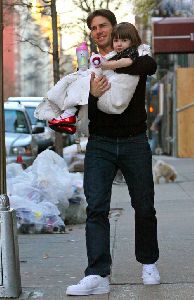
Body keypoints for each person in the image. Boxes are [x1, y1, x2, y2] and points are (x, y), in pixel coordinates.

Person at [66, 9, 160, 296]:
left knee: (144, 205)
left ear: (113, 28)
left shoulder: (136, 56)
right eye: (93, 28)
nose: (99, 31)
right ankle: (97, 274)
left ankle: (148, 263)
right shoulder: (89, 67)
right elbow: (85, 109)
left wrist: (112, 65)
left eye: (103, 25)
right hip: (101, 143)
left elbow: (150, 65)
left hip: (134, 141)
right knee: (95, 208)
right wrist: (93, 94)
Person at [34, 24, 150, 134]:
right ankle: (68, 116)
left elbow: (127, 62)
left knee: (81, 82)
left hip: (113, 98)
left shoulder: (133, 53)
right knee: (77, 81)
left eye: (124, 40)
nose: (119, 44)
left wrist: (104, 65)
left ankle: (68, 116)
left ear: (132, 41)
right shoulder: (116, 54)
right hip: (107, 94)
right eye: (116, 40)